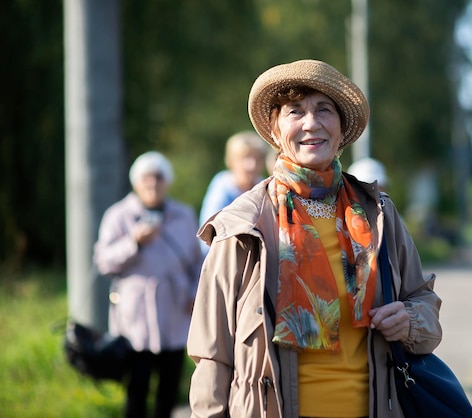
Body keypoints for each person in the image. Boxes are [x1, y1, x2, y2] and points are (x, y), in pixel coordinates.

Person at [188, 59, 442, 417]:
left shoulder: (378, 213)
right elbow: (212, 353)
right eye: (295, 112)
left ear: (341, 132)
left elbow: (424, 303)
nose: (311, 123)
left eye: (324, 110)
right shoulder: (243, 226)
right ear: (275, 132)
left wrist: (410, 321)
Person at [93, 151, 203, 418]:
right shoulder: (119, 215)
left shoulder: (184, 215)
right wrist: (134, 243)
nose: (152, 185)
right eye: (146, 179)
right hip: (135, 319)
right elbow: (103, 261)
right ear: (136, 182)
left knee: (169, 387)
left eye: (159, 178)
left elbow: (198, 263)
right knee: (137, 388)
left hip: (175, 314)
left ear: (168, 182)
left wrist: (194, 294)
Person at [198, 130, 268, 255]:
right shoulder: (222, 187)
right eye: (246, 158)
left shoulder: (265, 187)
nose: (252, 165)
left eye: (257, 159)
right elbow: (209, 235)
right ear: (232, 161)